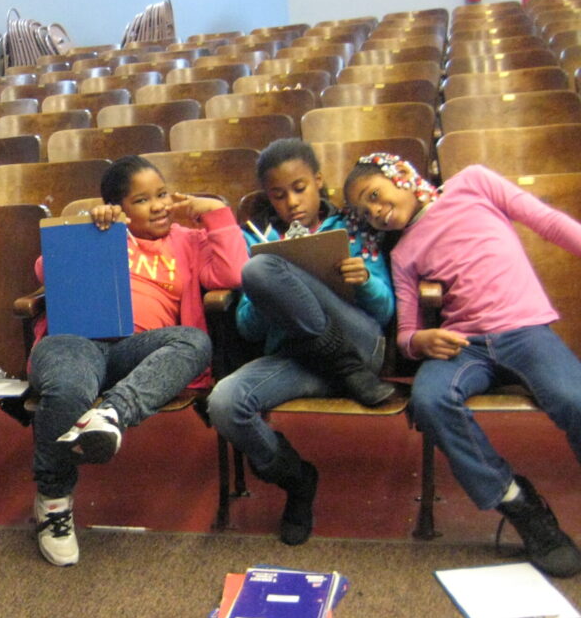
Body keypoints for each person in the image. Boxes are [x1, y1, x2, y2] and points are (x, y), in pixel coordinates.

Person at [346, 153, 581, 577]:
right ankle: (517, 502)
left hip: (524, 330)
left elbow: (546, 221)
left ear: (399, 175)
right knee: (430, 400)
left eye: (374, 196)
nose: (376, 212)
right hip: (466, 345)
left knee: (574, 398)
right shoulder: (402, 256)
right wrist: (422, 340)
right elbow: (406, 333)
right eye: (366, 212)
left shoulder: (472, 182)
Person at [31, 155, 247, 567]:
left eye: (162, 194)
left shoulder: (186, 240)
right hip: (77, 342)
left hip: (139, 353)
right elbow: (47, 272)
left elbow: (234, 274)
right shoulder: (105, 232)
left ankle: (111, 415)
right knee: (68, 389)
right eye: (143, 200)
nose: (160, 205)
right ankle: (54, 502)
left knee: (193, 341)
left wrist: (215, 213)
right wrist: (89, 229)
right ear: (120, 208)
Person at [207, 139, 395, 546]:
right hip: (299, 361)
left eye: (299, 188)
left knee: (261, 268)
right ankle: (297, 480)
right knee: (224, 403)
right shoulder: (260, 239)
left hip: (361, 357)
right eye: (278, 195)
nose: (291, 202)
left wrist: (364, 282)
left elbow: (384, 312)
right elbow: (248, 329)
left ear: (318, 182)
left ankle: (342, 363)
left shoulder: (352, 228)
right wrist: (269, 292)